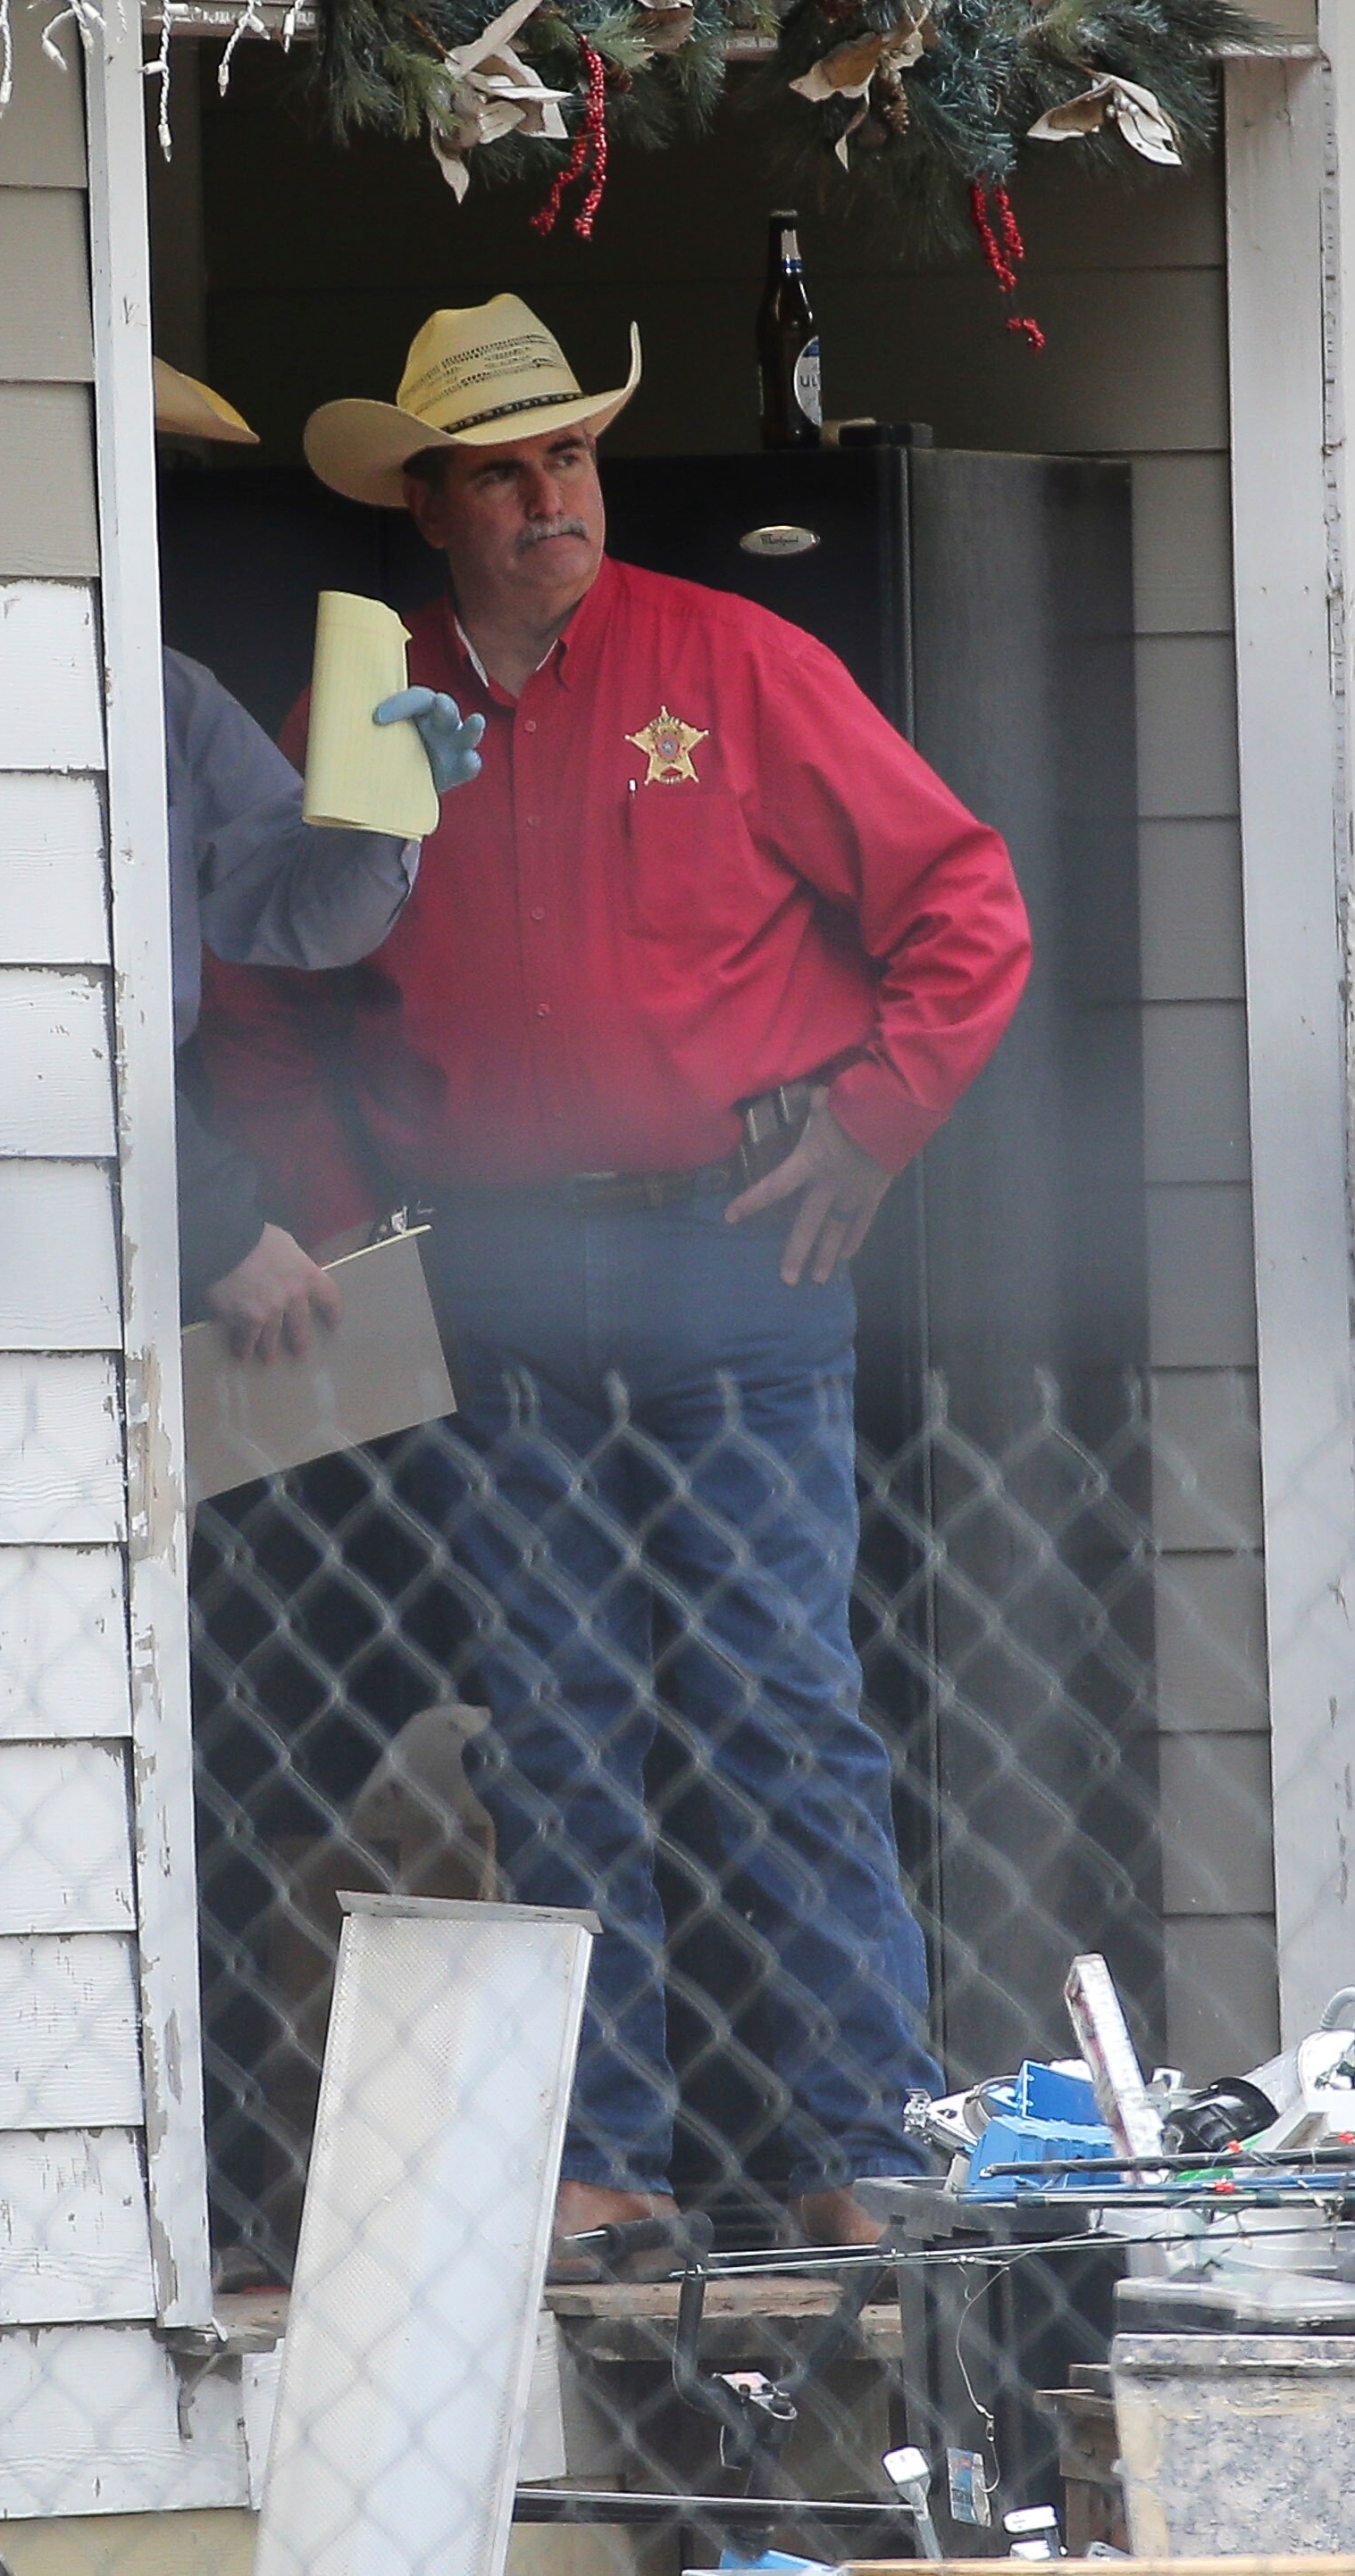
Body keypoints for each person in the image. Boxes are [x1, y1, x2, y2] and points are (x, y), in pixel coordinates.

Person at [230, 294, 1033, 2263]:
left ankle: (862, 2139)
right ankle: (608, 2162)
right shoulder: (371, 702)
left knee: (780, 1702)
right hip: (490, 1274)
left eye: (570, 453)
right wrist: (333, 1204)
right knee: (557, 1721)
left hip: (730, 1248)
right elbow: (262, 990)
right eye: (502, 467)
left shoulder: (735, 658)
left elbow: (964, 902)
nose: (547, 494)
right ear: (429, 498)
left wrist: (872, 1123)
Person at [148, 362, 486, 1357]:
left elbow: (293, 920)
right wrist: (209, 1220)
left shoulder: (166, 690)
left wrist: (389, 811)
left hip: (136, 1171)